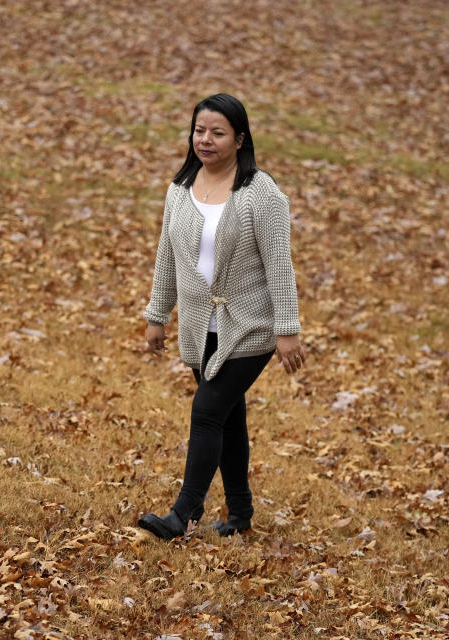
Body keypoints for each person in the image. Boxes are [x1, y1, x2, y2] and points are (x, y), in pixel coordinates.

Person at [138, 93, 307, 540]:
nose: (206, 140)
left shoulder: (260, 194)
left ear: (239, 138)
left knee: (208, 411)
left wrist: (287, 329)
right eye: (199, 131)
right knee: (229, 418)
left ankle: (183, 514)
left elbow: (279, 264)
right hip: (199, 327)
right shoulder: (180, 188)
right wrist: (158, 314)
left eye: (217, 132)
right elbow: (166, 257)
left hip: (250, 328)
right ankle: (240, 514)